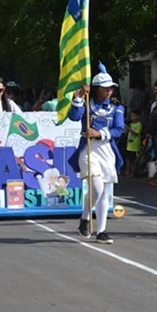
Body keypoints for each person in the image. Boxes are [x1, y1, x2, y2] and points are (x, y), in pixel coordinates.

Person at [69, 63, 124, 244]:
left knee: (104, 191)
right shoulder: (86, 103)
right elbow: (74, 117)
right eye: (105, 88)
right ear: (96, 89)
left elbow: (119, 130)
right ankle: (85, 217)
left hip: (106, 150)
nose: (109, 92)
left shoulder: (117, 108)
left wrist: (99, 133)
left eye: (111, 89)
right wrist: (78, 97)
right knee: (97, 187)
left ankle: (101, 231)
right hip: (89, 149)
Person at [123, 111, 142, 178]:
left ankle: (133, 172)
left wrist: (129, 129)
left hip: (135, 145)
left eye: (134, 116)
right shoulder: (131, 124)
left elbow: (136, 134)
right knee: (128, 158)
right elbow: (127, 133)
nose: (132, 117)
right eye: (131, 116)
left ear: (138, 117)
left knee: (133, 160)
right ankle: (128, 171)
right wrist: (126, 130)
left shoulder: (138, 124)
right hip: (129, 144)